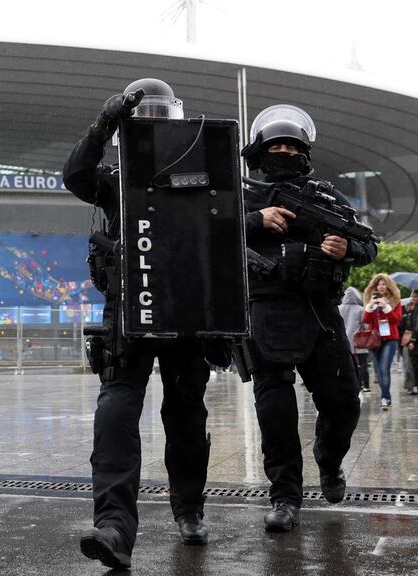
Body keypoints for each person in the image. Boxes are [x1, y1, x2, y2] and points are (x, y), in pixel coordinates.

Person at [64, 78, 220, 569]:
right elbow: (75, 175)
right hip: (128, 310)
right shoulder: (113, 178)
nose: (152, 121)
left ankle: (189, 510)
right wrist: (101, 124)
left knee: (187, 415)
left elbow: (232, 219)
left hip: (188, 309)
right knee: (115, 413)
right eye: (142, 114)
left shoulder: (202, 169)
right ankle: (114, 529)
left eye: (159, 113)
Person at [241, 104, 377, 532]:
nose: (283, 151)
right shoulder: (240, 194)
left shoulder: (327, 196)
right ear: (261, 152)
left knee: (343, 402)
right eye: (276, 145)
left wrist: (346, 250)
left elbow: (367, 244)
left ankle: (329, 458)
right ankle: (285, 496)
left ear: (305, 153)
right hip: (264, 312)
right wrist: (254, 219)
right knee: (275, 413)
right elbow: (206, 235)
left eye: (292, 146)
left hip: (319, 311)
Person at [362, 274, 403, 410]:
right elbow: (366, 320)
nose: (381, 287)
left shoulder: (395, 301)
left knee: (385, 368)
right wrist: (370, 306)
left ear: (389, 286)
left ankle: (385, 398)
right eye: (379, 285)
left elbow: (397, 319)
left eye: (384, 284)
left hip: (390, 339)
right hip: (374, 340)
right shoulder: (371, 300)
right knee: (378, 370)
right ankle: (385, 396)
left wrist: (386, 307)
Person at [338, 287, 371, 394]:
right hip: (358, 343)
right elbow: (365, 326)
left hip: (343, 343)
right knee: (362, 365)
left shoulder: (339, 308)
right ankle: (364, 385)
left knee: (346, 365)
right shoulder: (360, 309)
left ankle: (350, 384)